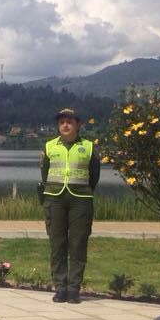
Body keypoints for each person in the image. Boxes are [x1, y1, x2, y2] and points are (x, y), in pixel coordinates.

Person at [41, 106, 100, 304]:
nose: (65, 125)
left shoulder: (89, 147)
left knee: (78, 245)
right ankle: (60, 288)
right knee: (57, 245)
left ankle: (74, 289)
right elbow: (45, 174)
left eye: (69, 121)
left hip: (80, 200)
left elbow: (94, 175)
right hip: (54, 199)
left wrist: (84, 190)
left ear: (77, 125)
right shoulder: (49, 146)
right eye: (61, 122)